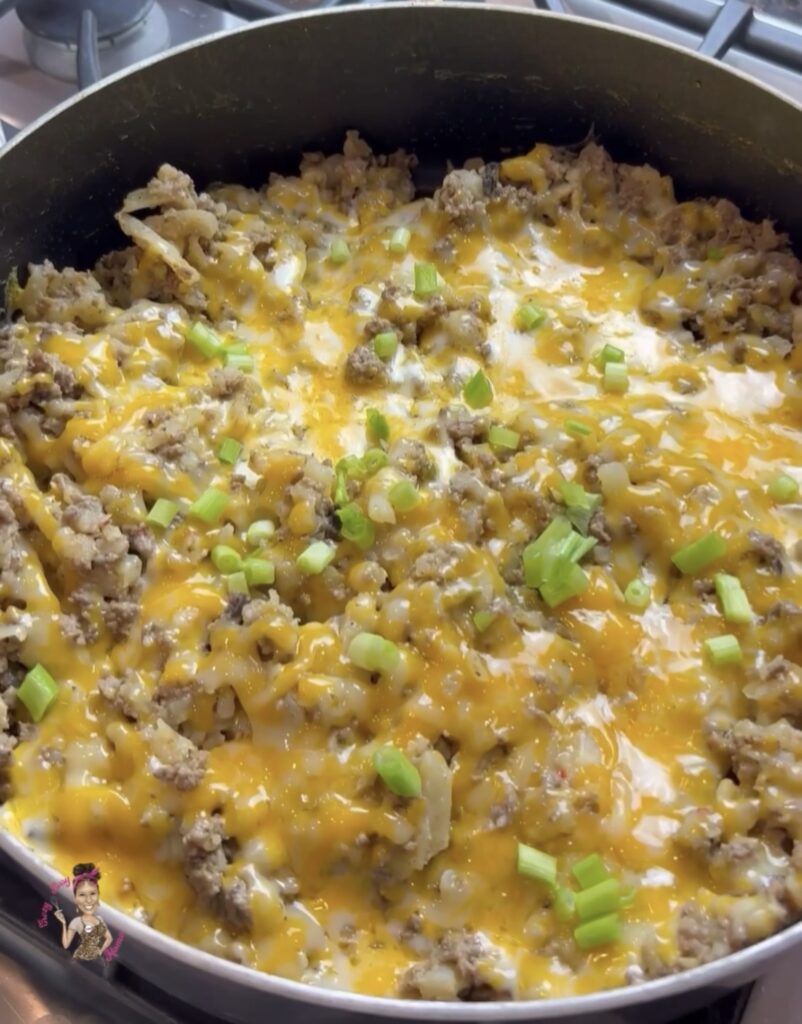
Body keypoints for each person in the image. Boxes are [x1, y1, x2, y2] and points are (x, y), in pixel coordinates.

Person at [53, 863, 113, 962]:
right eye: (82, 895)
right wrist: (63, 923)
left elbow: (109, 939)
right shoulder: (76, 922)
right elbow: (66, 944)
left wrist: (99, 951)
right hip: (75, 960)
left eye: (92, 894)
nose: (88, 900)